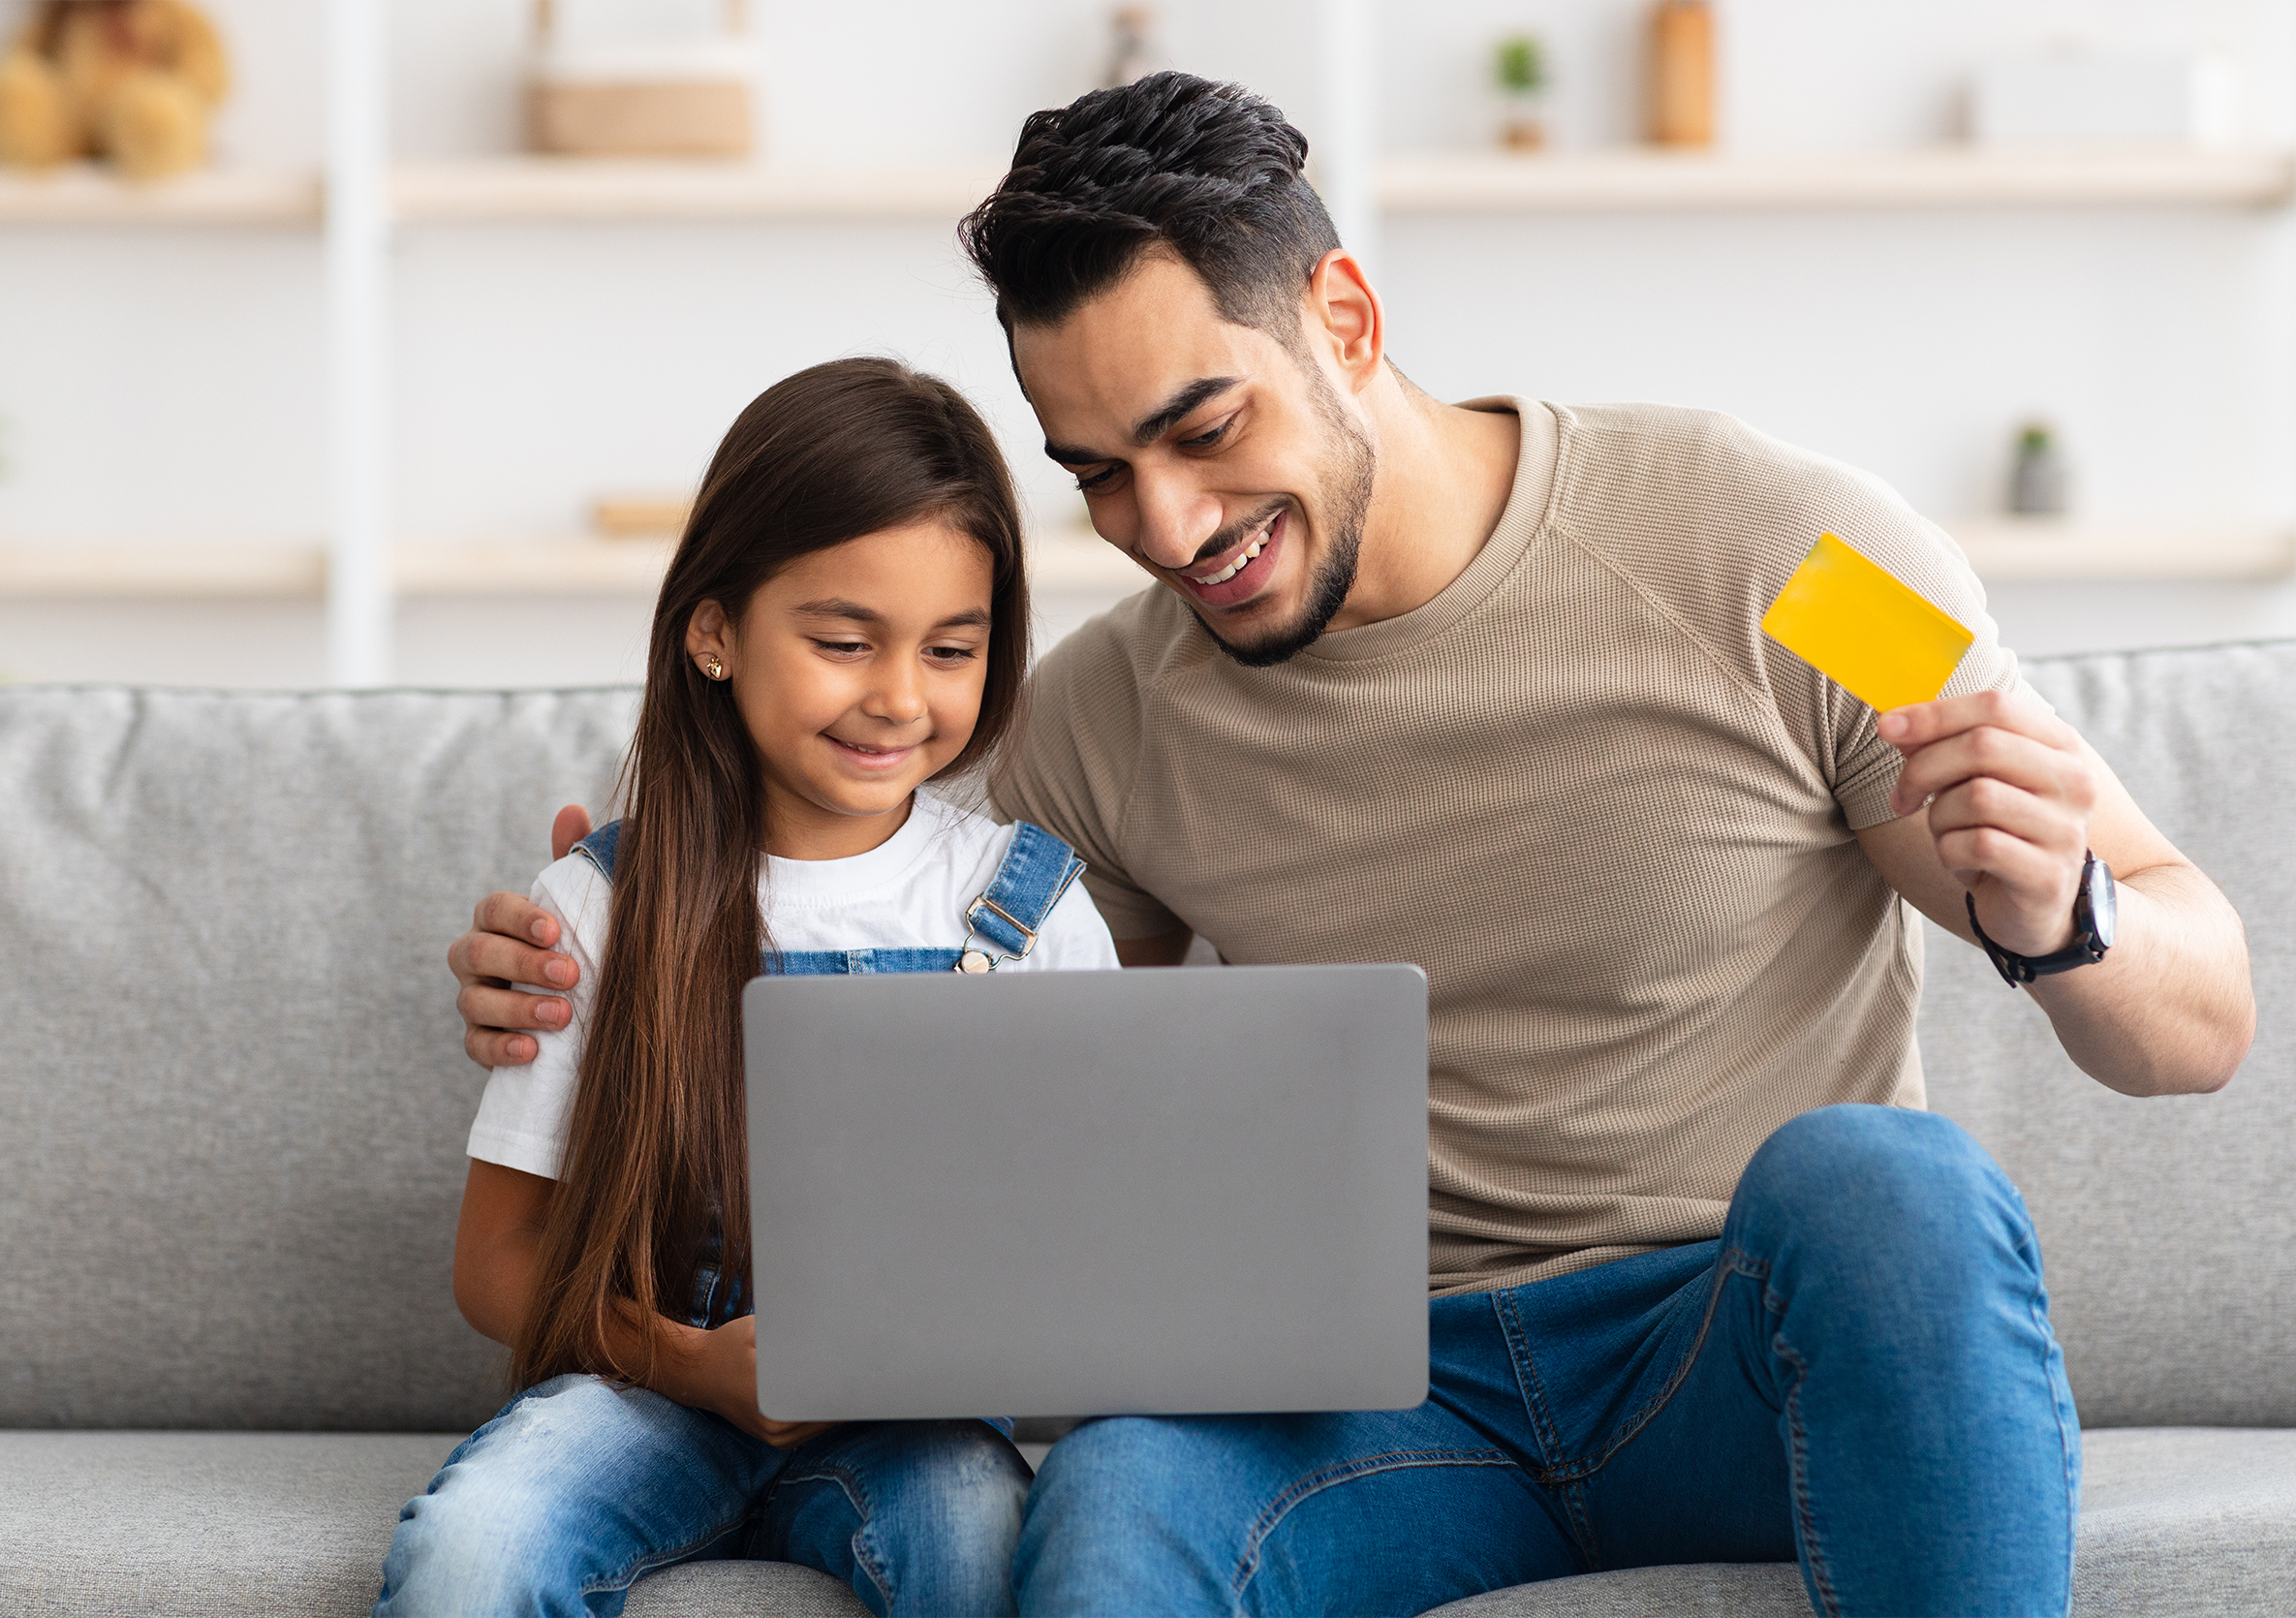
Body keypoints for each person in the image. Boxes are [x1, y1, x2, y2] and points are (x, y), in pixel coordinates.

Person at [448, 76, 2255, 1618]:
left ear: (1347, 318)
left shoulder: (1790, 560)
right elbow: (914, 1021)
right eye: (1095, 473)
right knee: (1117, 1490)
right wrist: (608, 915)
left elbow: (2200, 1011)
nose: (1164, 526)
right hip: (1366, 1400)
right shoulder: (1106, 711)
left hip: (1728, 1348)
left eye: (1201, 428)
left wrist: (2064, 909)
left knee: (1888, 1184)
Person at [383, 358, 1119, 1618]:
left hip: (917, 1424)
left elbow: (1114, 1242)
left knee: (984, 1540)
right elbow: (495, 1260)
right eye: (843, 641)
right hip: (647, 1390)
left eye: (952, 647)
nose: (898, 695)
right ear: (713, 630)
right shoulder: (598, 904)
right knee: (473, 1552)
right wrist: (692, 1361)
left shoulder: (1030, 905)